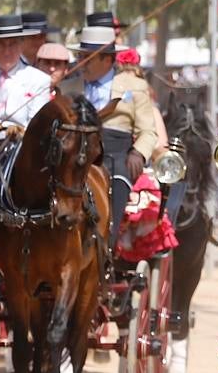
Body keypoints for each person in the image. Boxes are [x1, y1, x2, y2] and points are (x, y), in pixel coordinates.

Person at [59, 23, 162, 242]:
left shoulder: (134, 86)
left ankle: (107, 244)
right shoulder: (68, 87)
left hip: (115, 157)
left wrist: (138, 153)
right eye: (80, 56)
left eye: (88, 57)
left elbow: (148, 132)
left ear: (107, 59)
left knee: (116, 187)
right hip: (74, 155)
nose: (81, 63)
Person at [0, 14, 54, 128]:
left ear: (21, 45)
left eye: (12, 44)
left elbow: (38, 125)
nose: (6, 51)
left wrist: (21, 132)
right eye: (1, 44)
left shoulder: (39, 80)